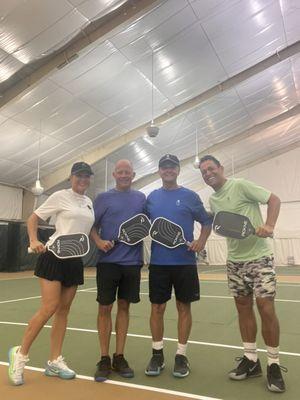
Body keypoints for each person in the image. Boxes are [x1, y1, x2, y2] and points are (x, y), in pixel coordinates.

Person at [199, 155, 287, 393]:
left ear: (221, 168)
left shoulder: (241, 185)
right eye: (203, 171)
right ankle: (251, 360)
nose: (208, 173)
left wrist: (269, 225)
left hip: (260, 258)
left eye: (211, 168)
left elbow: (274, 200)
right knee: (243, 308)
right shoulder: (214, 200)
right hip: (234, 261)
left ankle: (274, 365)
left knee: (266, 308)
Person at [8, 161, 95, 386]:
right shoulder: (59, 196)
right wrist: (34, 239)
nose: (83, 179)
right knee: (49, 307)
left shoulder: (88, 202)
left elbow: (87, 229)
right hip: (54, 257)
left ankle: (54, 361)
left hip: (74, 261)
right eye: (79, 175)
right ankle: (19, 355)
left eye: (87, 176)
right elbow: (33, 218)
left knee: (63, 312)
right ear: (71, 177)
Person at [145, 154, 212, 378]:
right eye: (164, 167)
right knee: (157, 308)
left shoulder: (190, 196)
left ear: (178, 170)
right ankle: (157, 354)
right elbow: (142, 224)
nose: (168, 170)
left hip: (185, 263)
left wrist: (201, 241)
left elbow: (206, 220)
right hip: (158, 264)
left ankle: (181, 356)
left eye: (172, 167)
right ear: (159, 171)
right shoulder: (151, 198)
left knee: (184, 308)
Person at [91, 159, 146, 382]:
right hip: (108, 263)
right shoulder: (103, 199)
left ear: (133, 175)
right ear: (114, 174)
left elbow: (146, 224)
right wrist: (99, 241)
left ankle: (119, 356)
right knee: (105, 308)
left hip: (132, 263)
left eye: (128, 172)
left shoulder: (141, 198)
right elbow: (92, 226)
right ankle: (104, 358)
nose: (124, 175)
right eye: (120, 172)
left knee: (124, 307)